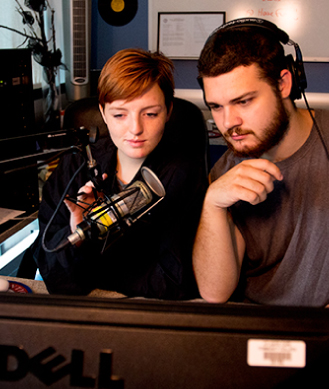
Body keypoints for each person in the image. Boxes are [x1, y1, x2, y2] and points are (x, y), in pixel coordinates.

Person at [32, 48, 207, 299]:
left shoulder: (183, 175)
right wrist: (78, 233)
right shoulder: (75, 167)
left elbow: (173, 283)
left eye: (150, 113)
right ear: (103, 112)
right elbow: (54, 276)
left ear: (168, 111)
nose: (135, 129)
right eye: (119, 114)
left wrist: (92, 266)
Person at [193, 18, 329, 307]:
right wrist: (213, 203)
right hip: (257, 327)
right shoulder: (226, 172)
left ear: (284, 84)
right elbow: (215, 292)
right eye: (216, 106)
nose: (229, 123)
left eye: (243, 101)